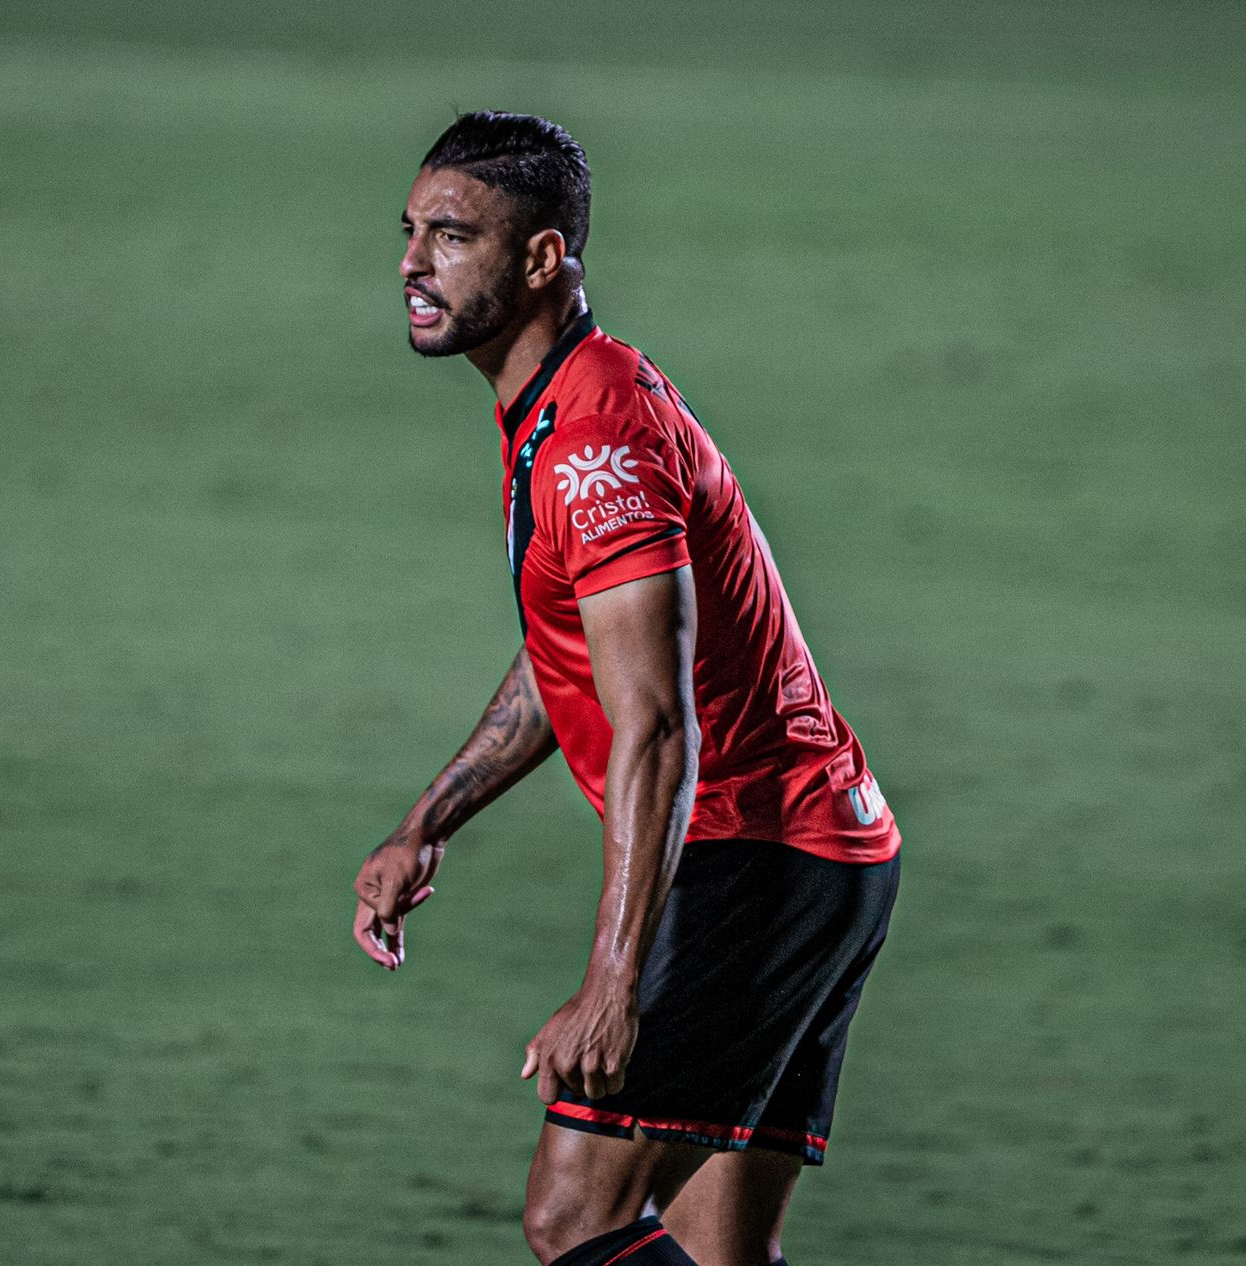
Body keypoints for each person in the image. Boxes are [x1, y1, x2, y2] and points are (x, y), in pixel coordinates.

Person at [352, 111, 902, 1266]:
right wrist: (427, 823)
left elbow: (651, 719)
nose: (411, 261)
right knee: (713, 1253)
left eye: (451, 236)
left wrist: (612, 983)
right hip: (821, 856)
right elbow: (577, 661)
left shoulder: (593, 436)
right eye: (410, 231)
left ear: (543, 258)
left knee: (576, 1217)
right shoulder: (563, 403)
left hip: (754, 854)